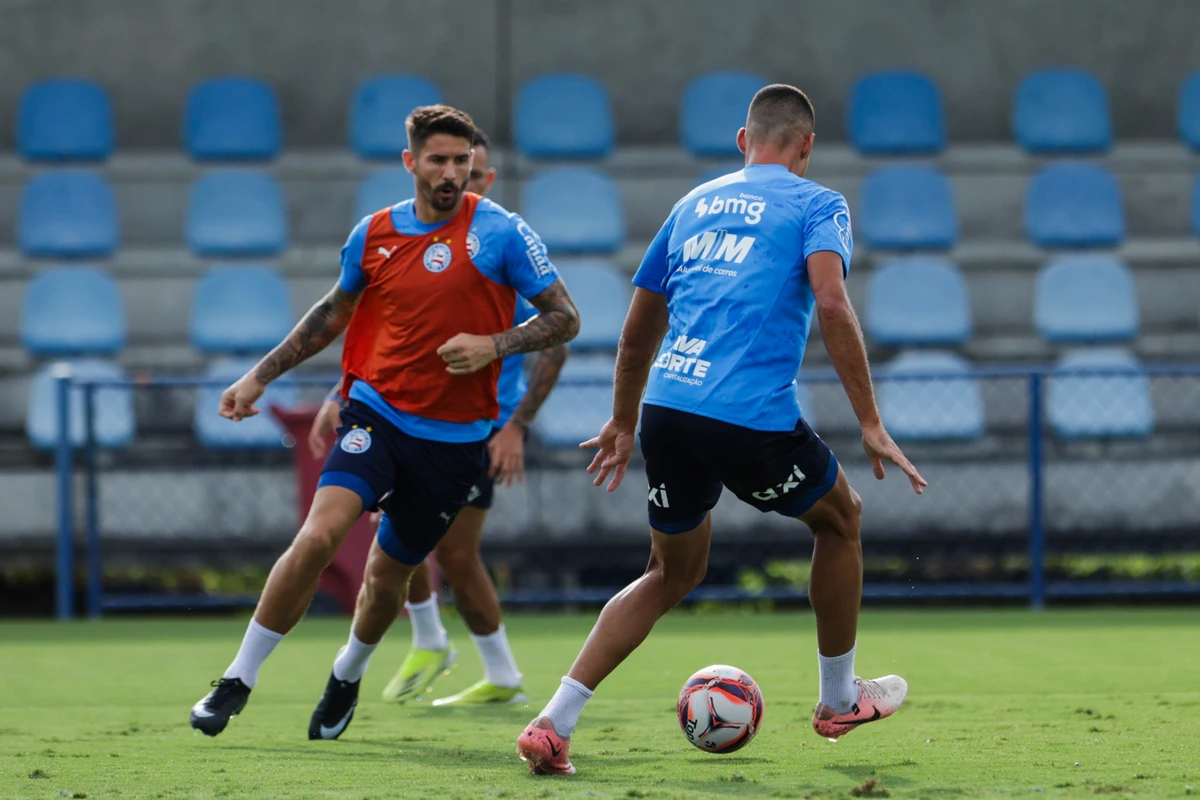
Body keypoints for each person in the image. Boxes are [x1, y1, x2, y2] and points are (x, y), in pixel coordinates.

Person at [515, 84, 927, 776]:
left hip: (668, 408)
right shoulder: (818, 203)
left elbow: (637, 329)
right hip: (749, 416)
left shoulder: (691, 205)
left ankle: (553, 724)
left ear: (744, 142)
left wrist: (622, 420)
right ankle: (837, 701)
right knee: (841, 521)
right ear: (806, 146)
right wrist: (871, 422)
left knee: (669, 572)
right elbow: (831, 301)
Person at [188, 105, 580, 741]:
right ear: (411, 163)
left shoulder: (504, 232)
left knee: (387, 578)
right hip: (377, 416)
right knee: (317, 537)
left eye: (461, 161)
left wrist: (495, 344)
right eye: (439, 160)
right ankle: (237, 679)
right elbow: (332, 312)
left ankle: (348, 670)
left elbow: (566, 319)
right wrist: (260, 376)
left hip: (455, 443)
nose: (452, 172)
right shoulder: (372, 234)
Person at [308, 130, 569, 708]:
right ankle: (442, 644)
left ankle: (471, 659)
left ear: (486, 178)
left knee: (450, 552)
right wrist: (342, 390)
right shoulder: (418, 234)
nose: (455, 184)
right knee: (412, 540)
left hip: (477, 426)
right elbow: (399, 336)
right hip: (407, 415)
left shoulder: (503, 240)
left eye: (468, 173)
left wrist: (517, 425)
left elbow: (555, 339)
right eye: (444, 168)